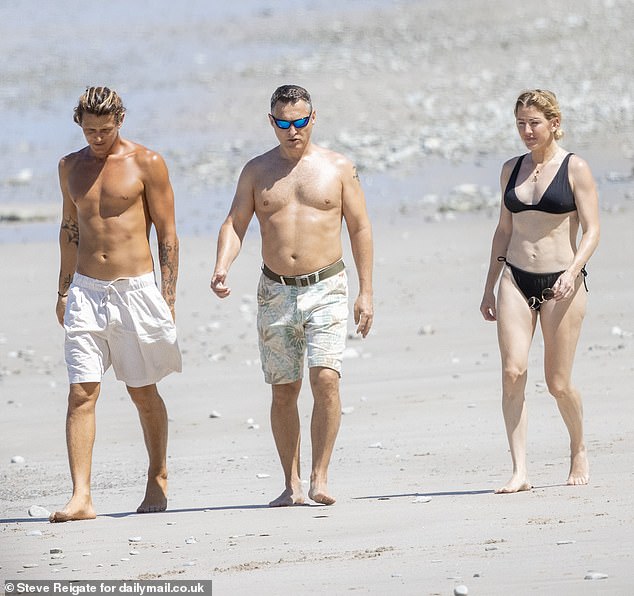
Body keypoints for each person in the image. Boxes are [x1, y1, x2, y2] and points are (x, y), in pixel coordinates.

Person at [210, 84, 373, 506]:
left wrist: (366, 291)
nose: (293, 130)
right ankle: (292, 483)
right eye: (284, 123)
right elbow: (235, 223)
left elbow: (359, 227)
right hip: (275, 291)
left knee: (325, 379)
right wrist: (222, 266)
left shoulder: (338, 167)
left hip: (327, 286)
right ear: (272, 123)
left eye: (300, 121)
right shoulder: (256, 171)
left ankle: (320, 477)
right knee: (284, 389)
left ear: (313, 118)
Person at [51, 86, 182, 522]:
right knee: (80, 393)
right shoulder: (70, 166)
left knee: (142, 392)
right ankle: (81, 496)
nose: (97, 138)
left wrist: (168, 296)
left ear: (121, 120)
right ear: (79, 125)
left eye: (104, 130)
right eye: (89, 131)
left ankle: (158, 474)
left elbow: (167, 233)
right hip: (86, 292)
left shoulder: (148, 163)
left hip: (136, 292)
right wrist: (63, 290)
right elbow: (70, 229)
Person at [480, 89, 600, 494]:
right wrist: (489, 287)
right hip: (515, 278)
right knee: (513, 372)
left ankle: (578, 446)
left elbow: (593, 229)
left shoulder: (574, 168)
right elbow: (504, 229)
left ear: (553, 123)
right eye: (520, 124)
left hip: (562, 284)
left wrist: (573, 271)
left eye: (534, 123)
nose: (527, 131)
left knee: (557, 382)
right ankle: (520, 470)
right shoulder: (510, 170)